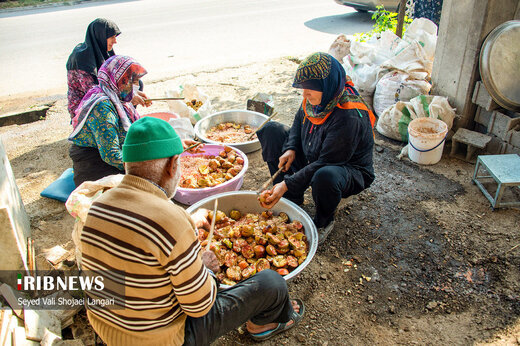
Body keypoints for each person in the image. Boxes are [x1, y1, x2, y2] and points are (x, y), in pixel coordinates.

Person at [80, 116, 305, 345]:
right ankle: (262, 325)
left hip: (107, 332)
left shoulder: (97, 206)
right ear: (172, 165)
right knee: (271, 282)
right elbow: (199, 306)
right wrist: (205, 270)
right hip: (165, 340)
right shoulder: (169, 220)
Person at [257, 52, 375, 244]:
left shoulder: (349, 115)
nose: (305, 94)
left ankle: (324, 221)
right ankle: (292, 198)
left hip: (345, 167)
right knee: (271, 130)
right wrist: (291, 148)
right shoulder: (316, 99)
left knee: (325, 176)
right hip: (314, 151)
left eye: (310, 89)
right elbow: (298, 120)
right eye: (303, 89)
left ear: (326, 86)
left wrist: (286, 183)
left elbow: (326, 161)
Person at [68, 55, 148, 186]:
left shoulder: (112, 92)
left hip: (105, 156)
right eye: (131, 81)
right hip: (94, 165)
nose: (136, 86)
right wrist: (145, 164)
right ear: (120, 80)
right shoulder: (102, 107)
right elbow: (111, 155)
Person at [66, 18, 147, 118]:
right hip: (87, 103)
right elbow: (94, 92)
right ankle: (122, 122)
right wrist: (128, 96)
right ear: (101, 36)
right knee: (124, 95)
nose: (115, 41)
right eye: (112, 37)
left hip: (103, 93)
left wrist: (132, 92)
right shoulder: (81, 59)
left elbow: (116, 79)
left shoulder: (102, 51)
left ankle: (127, 118)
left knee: (136, 84)